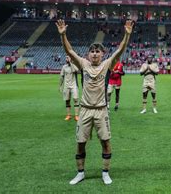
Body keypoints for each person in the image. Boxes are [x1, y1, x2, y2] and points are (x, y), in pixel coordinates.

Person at [57, 19, 133, 185]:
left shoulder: (107, 65)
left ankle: (105, 172)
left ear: (103, 54)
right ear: (88, 54)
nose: (95, 54)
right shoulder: (83, 64)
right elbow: (69, 51)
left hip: (101, 110)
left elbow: (120, 50)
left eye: (98, 51)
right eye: (92, 51)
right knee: (80, 143)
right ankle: (80, 173)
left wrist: (127, 35)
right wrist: (63, 35)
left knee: (105, 142)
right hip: (84, 110)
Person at [60, 56, 79, 121]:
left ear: (71, 59)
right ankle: (68, 115)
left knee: (75, 99)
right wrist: (60, 86)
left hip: (74, 85)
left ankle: (76, 115)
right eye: (66, 58)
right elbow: (62, 76)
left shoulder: (74, 66)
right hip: (66, 86)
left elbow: (76, 70)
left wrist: (71, 63)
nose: (66, 59)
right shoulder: (64, 67)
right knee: (67, 100)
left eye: (68, 58)